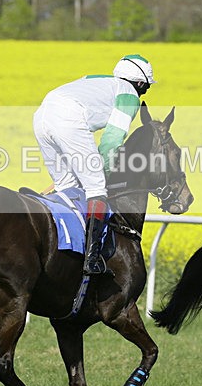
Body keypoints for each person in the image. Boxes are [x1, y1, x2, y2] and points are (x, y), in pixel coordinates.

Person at [33, 54, 155, 275]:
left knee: (66, 187)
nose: (142, 94)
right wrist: (103, 174)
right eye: (145, 88)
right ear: (139, 83)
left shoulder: (95, 79)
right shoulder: (128, 95)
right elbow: (111, 142)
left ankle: (61, 252)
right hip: (68, 119)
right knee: (96, 189)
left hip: (41, 116)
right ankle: (92, 259)